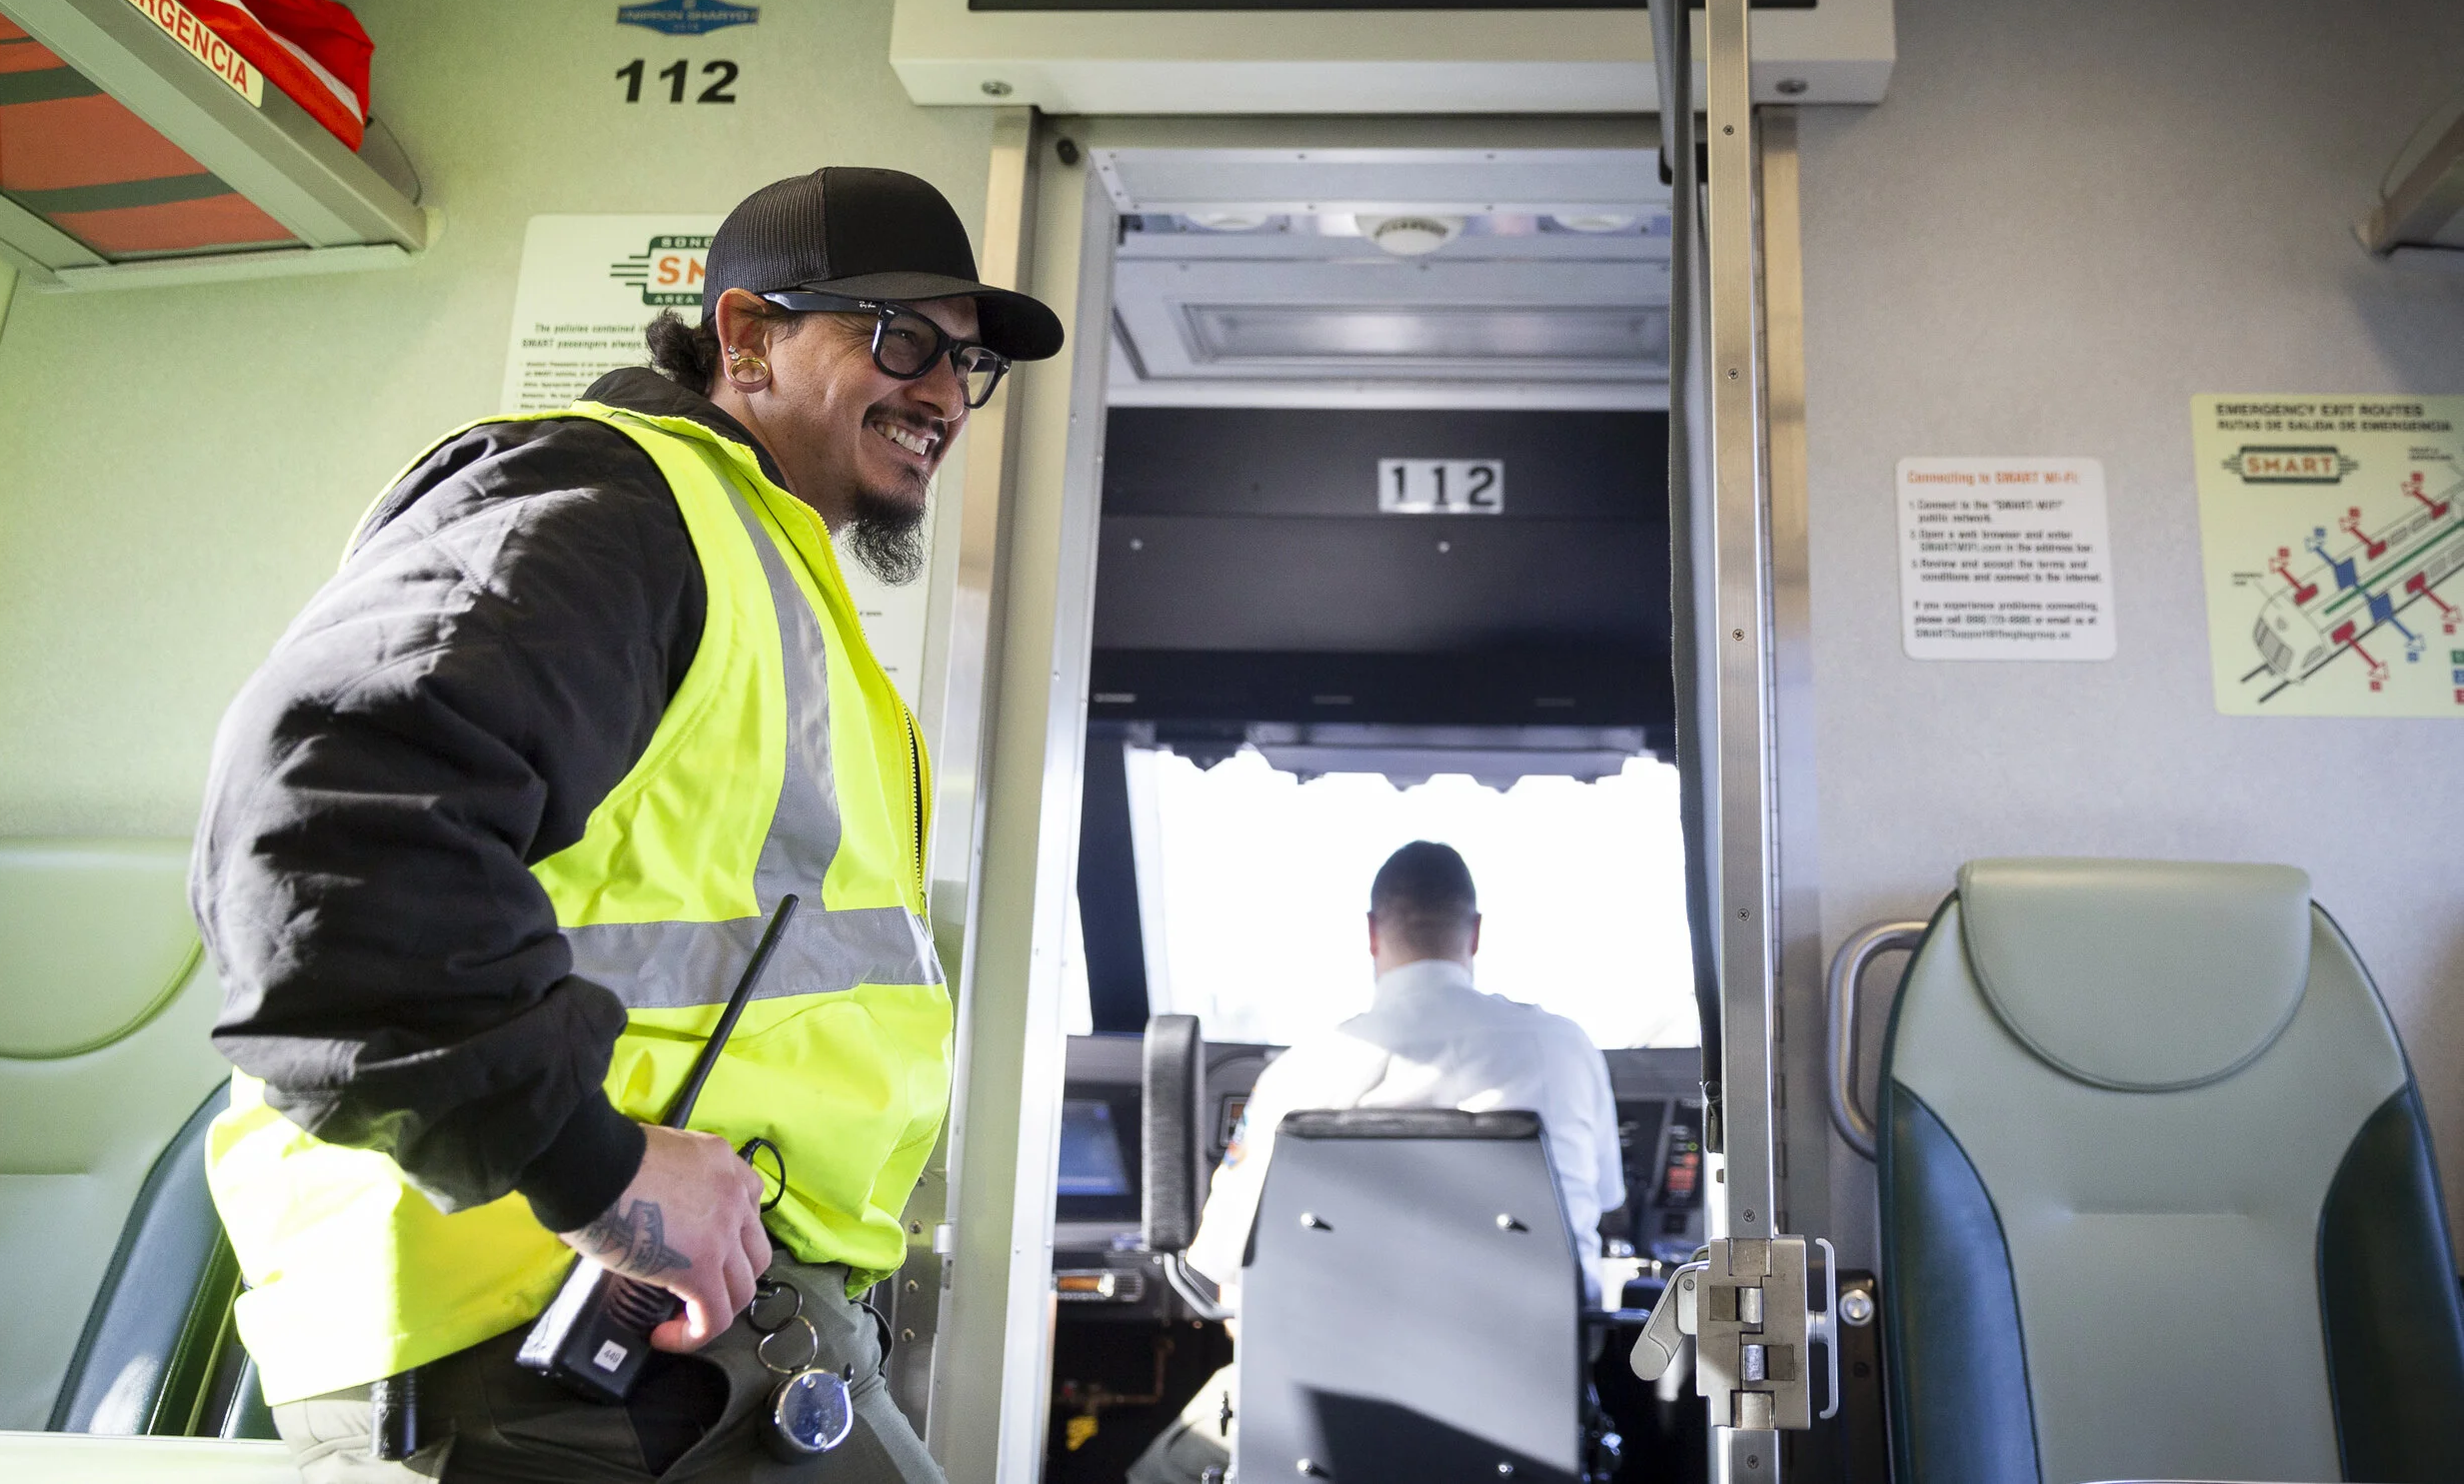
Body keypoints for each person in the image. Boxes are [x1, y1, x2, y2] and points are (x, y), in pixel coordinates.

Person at [193, 167, 1062, 1483]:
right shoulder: (620, 506)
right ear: (747, 337)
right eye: (902, 339)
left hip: (686, 1333)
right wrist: (592, 1166)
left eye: (968, 361)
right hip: (550, 1341)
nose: (944, 391)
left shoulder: (772, 581)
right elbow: (327, 832)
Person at [1129, 840, 1626, 1484]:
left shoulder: (1299, 1074)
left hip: (1322, 1435)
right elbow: (1602, 1209)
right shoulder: (1565, 1049)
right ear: (1475, 933)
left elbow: (1222, 1271)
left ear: (1371, 933)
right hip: (1530, 1413)